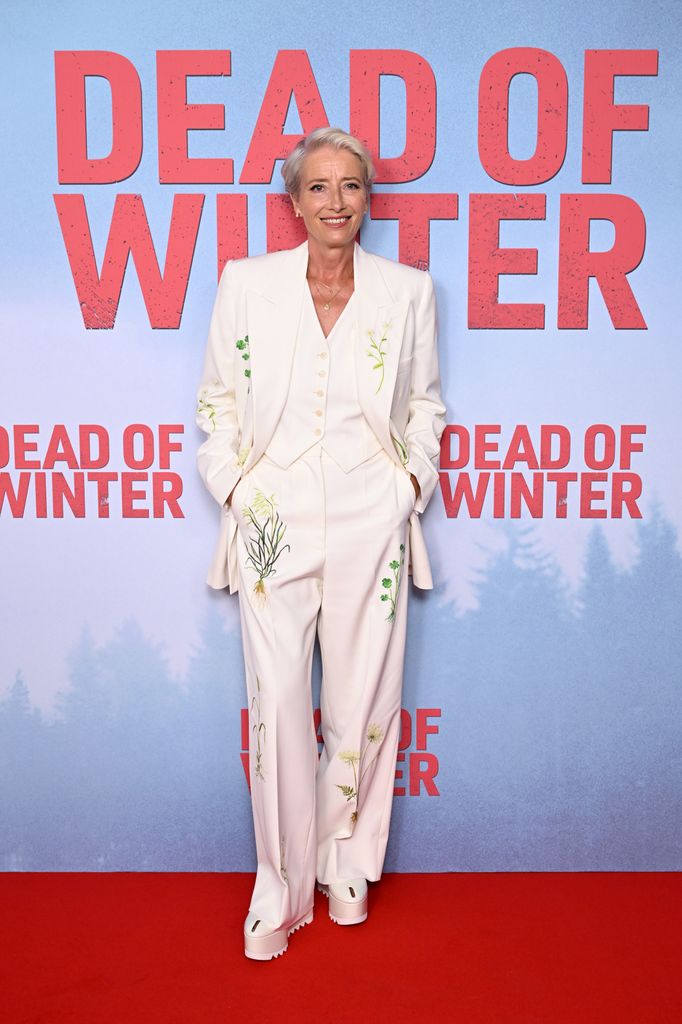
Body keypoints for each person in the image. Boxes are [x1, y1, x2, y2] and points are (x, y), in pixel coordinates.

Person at [195, 127, 446, 960]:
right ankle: (279, 882)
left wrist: (408, 483)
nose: (336, 202)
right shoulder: (246, 284)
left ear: (366, 199)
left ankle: (345, 865)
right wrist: (237, 489)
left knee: (363, 699)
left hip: (374, 513)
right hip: (274, 517)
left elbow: (424, 406)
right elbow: (216, 402)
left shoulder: (408, 292)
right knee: (274, 703)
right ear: (293, 201)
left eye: (350, 187)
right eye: (318, 187)